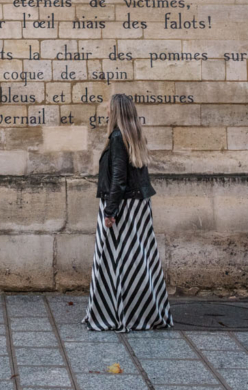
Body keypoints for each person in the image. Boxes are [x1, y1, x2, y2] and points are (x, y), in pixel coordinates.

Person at [85, 92, 172, 331]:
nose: (106, 112)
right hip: (138, 207)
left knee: (114, 261)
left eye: (108, 109)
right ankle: (142, 313)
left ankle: (116, 315)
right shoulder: (135, 136)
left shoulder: (116, 137)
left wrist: (110, 212)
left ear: (116, 113)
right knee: (139, 261)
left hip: (121, 206)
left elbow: (118, 179)